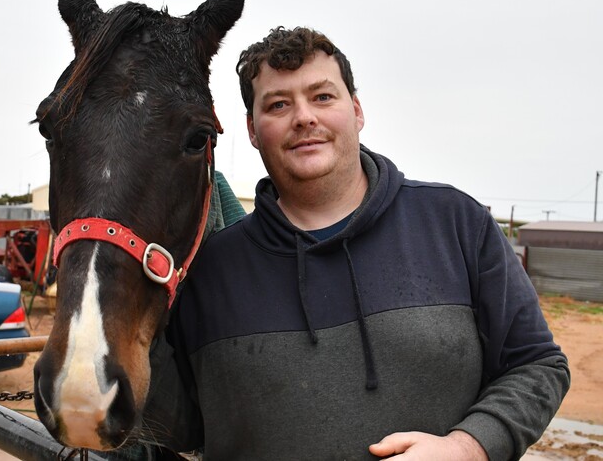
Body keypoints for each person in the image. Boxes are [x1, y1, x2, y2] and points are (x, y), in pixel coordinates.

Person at [158, 26, 569, 460]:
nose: (303, 117)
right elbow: (180, 425)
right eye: (278, 104)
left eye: (322, 97)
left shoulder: (455, 223)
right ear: (253, 131)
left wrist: (468, 447)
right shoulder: (208, 270)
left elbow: (538, 364)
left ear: (356, 110)